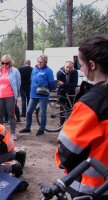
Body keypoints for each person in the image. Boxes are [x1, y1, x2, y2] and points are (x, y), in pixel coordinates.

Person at [55, 35, 108, 199]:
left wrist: (60, 159)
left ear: (92, 65)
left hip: (92, 186)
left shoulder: (92, 102)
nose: (81, 68)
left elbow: (67, 150)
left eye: (82, 64)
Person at [19, 54, 56, 136]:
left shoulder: (48, 71)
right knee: (28, 111)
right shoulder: (34, 69)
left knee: (42, 112)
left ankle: (42, 129)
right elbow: (31, 79)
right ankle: (28, 127)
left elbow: (52, 84)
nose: (39, 63)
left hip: (43, 95)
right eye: (38, 61)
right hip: (33, 94)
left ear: (45, 62)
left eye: (41, 62)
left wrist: (46, 87)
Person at [0, 55, 21, 140]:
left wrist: (16, 93)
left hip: (10, 96)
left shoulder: (15, 71)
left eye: (6, 63)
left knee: (11, 115)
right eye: (2, 63)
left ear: (10, 63)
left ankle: (13, 133)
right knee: (0, 115)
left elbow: (18, 83)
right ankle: (1, 132)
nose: (4, 65)